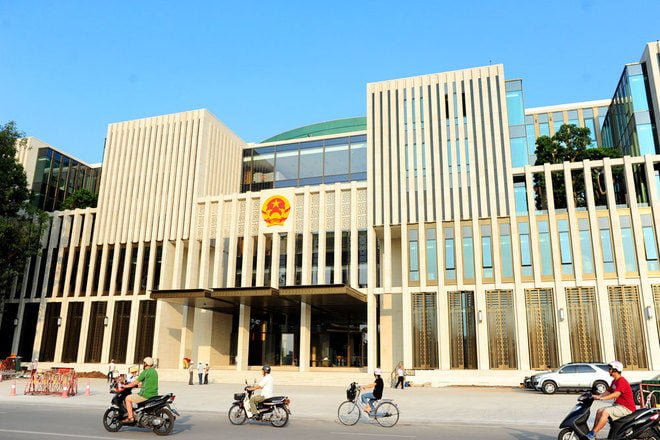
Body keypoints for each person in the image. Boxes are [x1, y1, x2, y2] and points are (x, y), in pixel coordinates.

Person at [586, 360, 636, 440]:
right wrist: (597, 396)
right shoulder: (614, 381)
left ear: (615, 370)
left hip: (626, 408)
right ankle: (594, 433)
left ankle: (593, 433)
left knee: (605, 412)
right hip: (619, 406)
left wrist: (602, 398)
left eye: (610, 369)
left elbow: (616, 394)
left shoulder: (622, 381)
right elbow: (608, 392)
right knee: (599, 411)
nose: (608, 370)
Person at [121, 356, 159, 424]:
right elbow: (147, 383)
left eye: (143, 363)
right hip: (154, 394)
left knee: (127, 398)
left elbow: (135, 382)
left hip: (145, 395)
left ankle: (130, 417)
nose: (143, 364)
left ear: (146, 364)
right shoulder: (154, 371)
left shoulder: (145, 372)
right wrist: (137, 386)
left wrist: (125, 386)